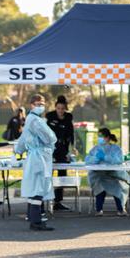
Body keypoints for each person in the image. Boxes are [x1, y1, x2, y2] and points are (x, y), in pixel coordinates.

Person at [14, 94, 57, 231]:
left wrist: (18, 150)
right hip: (40, 158)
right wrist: (52, 141)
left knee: (35, 189)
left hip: (36, 158)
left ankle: (35, 219)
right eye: (38, 104)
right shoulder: (36, 121)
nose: (40, 106)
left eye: (42, 104)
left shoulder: (30, 119)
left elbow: (22, 139)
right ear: (31, 105)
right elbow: (49, 137)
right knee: (39, 189)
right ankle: (36, 221)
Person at [85, 128, 129, 217]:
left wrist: (106, 157)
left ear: (108, 138)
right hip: (98, 175)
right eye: (99, 136)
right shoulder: (95, 149)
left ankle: (121, 209)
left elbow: (119, 160)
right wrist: (96, 158)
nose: (100, 139)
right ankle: (99, 209)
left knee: (117, 186)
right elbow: (88, 160)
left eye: (102, 136)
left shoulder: (116, 148)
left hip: (114, 175)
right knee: (99, 186)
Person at [46, 95, 75, 211]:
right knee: (49, 174)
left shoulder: (68, 118)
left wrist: (72, 147)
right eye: (58, 108)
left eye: (63, 109)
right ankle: (46, 199)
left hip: (63, 149)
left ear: (65, 108)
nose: (60, 111)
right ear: (55, 108)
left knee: (62, 174)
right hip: (51, 149)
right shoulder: (50, 117)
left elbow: (71, 134)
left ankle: (58, 201)